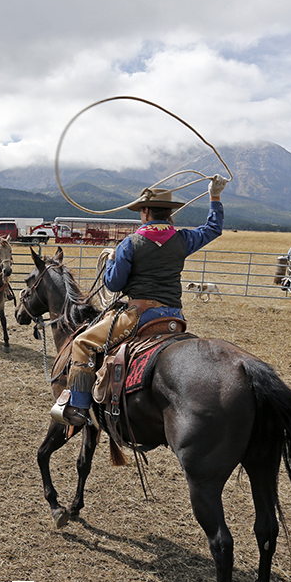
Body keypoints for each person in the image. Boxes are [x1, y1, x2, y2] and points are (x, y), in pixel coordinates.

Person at [52, 175, 227, 427]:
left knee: (83, 343)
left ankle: (79, 407)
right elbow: (213, 229)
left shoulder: (130, 244)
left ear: (145, 212)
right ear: (168, 213)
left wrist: (112, 259)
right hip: (174, 316)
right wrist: (215, 196)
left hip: (138, 316)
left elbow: (113, 284)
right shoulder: (183, 239)